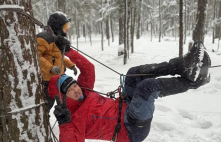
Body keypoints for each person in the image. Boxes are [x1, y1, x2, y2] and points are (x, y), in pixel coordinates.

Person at [47, 42, 211, 142]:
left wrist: (68, 50)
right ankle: (194, 81)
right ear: (63, 97)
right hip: (131, 129)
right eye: (70, 89)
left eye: (74, 84)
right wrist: (64, 123)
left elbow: (88, 68)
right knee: (147, 88)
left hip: (125, 104)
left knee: (133, 73)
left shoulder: (84, 91)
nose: (76, 89)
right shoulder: (72, 120)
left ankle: (183, 65)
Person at [37, 11, 78, 111]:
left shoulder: (57, 39)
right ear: (57, 27)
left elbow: (59, 57)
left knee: (62, 102)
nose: (66, 30)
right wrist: (50, 68)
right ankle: (43, 120)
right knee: (47, 104)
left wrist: (71, 65)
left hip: (58, 78)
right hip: (47, 80)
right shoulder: (43, 39)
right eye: (65, 27)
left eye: (67, 26)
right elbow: (37, 56)